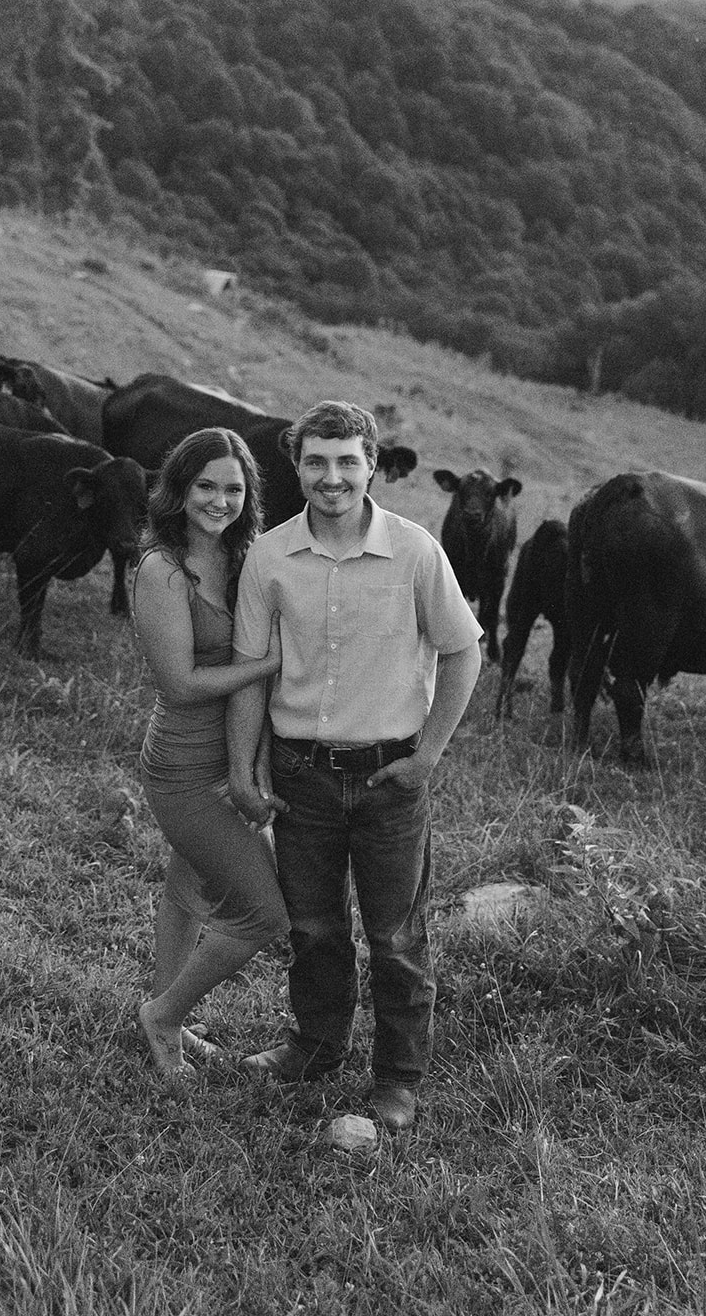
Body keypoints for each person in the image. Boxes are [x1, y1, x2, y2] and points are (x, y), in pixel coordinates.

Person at [226, 400, 482, 1132]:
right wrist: (245, 772)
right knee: (311, 927)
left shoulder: (413, 550)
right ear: (296, 465)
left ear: (371, 464)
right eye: (316, 462)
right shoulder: (270, 557)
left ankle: (397, 1079)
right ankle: (314, 1046)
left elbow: (463, 650)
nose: (331, 477)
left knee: (396, 937)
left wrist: (425, 756)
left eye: (346, 462)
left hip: (388, 777)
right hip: (300, 771)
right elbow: (250, 673)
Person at [133, 427, 288, 1079]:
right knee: (263, 914)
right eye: (205, 486)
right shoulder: (161, 569)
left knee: (186, 890)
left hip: (229, 755)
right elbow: (180, 682)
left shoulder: (246, 555)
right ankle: (163, 1017)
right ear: (179, 488)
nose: (219, 501)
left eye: (232, 488)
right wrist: (268, 664)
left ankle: (166, 1014)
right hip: (180, 766)